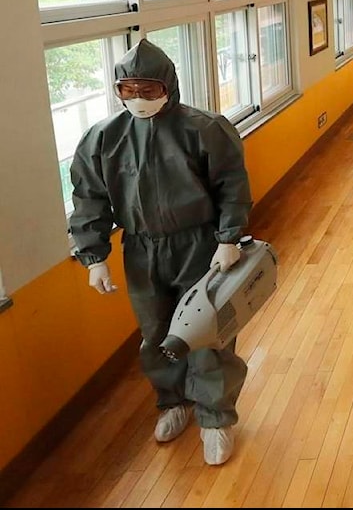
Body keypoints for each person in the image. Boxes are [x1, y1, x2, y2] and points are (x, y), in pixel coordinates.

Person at [69, 39, 253, 466]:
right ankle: (174, 403)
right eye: (127, 90)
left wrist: (228, 238)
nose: (138, 99)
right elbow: (88, 198)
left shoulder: (205, 128)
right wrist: (93, 255)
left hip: (199, 245)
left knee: (207, 332)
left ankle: (215, 417)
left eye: (147, 89)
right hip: (140, 248)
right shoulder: (103, 138)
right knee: (156, 333)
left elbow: (232, 185)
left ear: (168, 84)